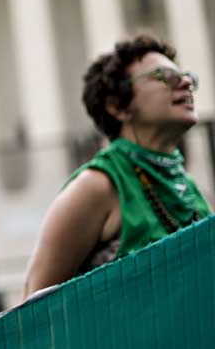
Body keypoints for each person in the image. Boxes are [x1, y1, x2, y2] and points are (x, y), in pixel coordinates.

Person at [23, 35, 212, 298]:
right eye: (165, 76)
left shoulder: (187, 187)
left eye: (188, 76)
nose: (186, 83)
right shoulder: (97, 186)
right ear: (118, 106)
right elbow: (33, 310)